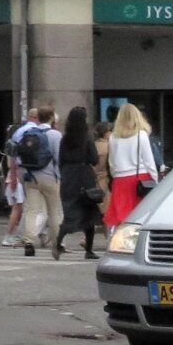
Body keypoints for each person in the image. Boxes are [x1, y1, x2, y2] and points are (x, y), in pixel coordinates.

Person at [11, 106, 62, 256]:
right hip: (50, 178)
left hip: (30, 176)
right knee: (54, 211)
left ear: (38, 118)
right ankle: (56, 243)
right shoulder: (55, 135)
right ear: (52, 118)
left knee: (32, 211)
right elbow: (59, 158)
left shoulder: (29, 133)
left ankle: (28, 241)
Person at [56, 107, 106, 259]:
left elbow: (61, 159)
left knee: (70, 210)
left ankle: (58, 242)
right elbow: (94, 159)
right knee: (89, 213)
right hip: (84, 175)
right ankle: (89, 250)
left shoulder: (65, 138)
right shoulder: (87, 137)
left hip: (69, 177)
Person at [106, 103, 157, 226]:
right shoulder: (142, 135)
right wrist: (155, 179)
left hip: (119, 180)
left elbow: (111, 163)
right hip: (140, 179)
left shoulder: (113, 137)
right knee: (140, 217)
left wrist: (116, 175)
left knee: (121, 217)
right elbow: (149, 161)